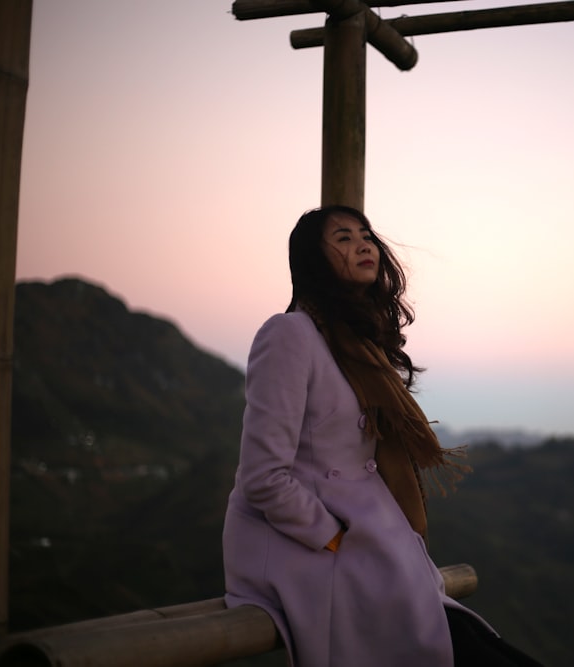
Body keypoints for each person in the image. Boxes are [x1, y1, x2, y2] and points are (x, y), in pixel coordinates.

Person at [222, 205, 544, 667]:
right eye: (343, 238)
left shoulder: (355, 342)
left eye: (366, 234)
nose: (363, 244)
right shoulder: (289, 334)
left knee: (466, 642)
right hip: (307, 550)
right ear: (314, 260)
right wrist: (333, 535)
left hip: (371, 542)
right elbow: (262, 476)